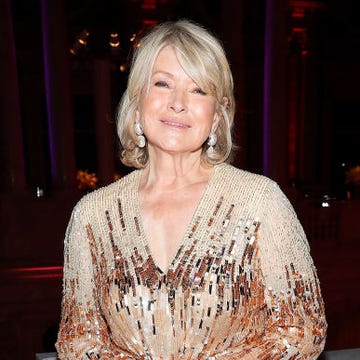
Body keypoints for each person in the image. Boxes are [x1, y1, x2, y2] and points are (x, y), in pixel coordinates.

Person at [56, 19, 327, 359]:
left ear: (216, 117)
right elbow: (78, 341)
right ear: (137, 102)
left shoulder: (261, 202)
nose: (178, 103)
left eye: (199, 89)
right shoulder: (92, 216)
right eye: (162, 84)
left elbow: (302, 331)